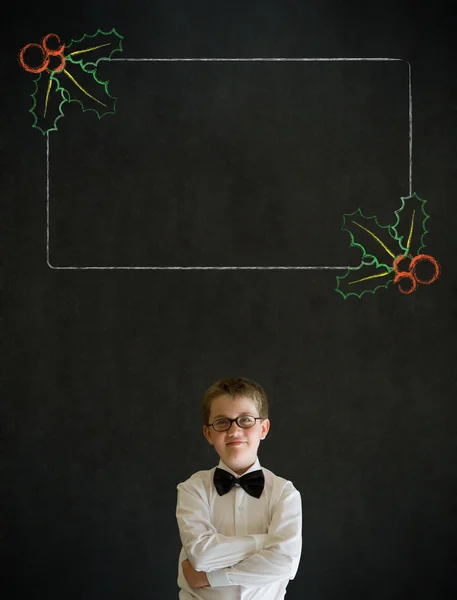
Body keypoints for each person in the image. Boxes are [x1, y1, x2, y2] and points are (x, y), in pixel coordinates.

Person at [176, 377, 302, 599]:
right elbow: (200, 556)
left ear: (263, 428)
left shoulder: (284, 493)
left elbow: (284, 564)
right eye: (222, 422)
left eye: (245, 420)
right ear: (208, 434)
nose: (234, 431)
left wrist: (210, 577)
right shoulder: (192, 489)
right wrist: (264, 542)